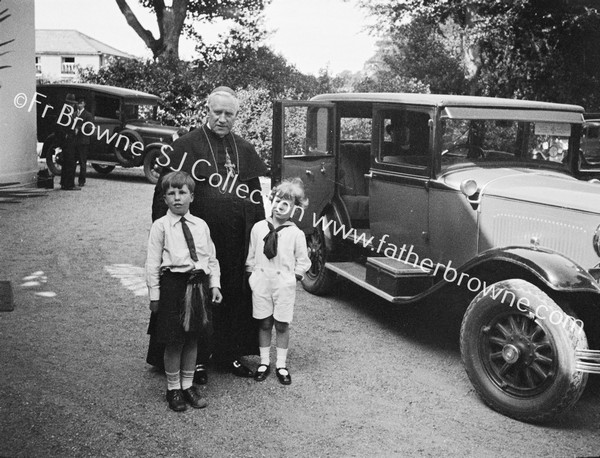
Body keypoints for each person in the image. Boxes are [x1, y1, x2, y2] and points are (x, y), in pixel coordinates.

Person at [147, 86, 268, 382]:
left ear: (236, 116)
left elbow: (255, 198)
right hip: (195, 243)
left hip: (236, 241)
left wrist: (261, 237)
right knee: (195, 297)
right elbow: (163, 196)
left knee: (232, 294)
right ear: (207, 111)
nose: (223, 119)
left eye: (229, 114)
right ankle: (196, 360)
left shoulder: (245, 148)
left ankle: (229, 353)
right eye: (217, 112)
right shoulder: (186, 146)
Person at [146, 170, 223, 412]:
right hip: (173, 286)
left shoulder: (200, 225)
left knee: (192, 338)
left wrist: (215, 284)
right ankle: (173, 389)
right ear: (164, 198)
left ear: (192, 197)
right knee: (174, 340)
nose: (177, 198)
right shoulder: (161, 227)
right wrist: (155, 296)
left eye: (182, 192)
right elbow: (151, 263)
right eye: (171, 193)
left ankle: (188, 385)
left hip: (197, 285)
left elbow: (211, 258)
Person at [245, 178, 311, 385]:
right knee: (264, 322)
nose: (279, 207)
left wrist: (293, 279)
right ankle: (264, 362)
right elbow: (251, 256)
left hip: (283, 283)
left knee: (282, 324)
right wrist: (252, 278)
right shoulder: (258, 228)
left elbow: (303, 261)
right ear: (270, 201)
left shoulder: (295, 234)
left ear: (294, 210)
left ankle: (281, 364)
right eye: (277, 201)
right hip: (262, 281)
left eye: (286, 204)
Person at [59, 93, 79, 191]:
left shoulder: (70, 113)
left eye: (72, 104)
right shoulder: (64, 113)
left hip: (71, 139)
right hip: (67, 141)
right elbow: (59, 126)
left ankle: (65, 183)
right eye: (70, 104)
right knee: (70, 162)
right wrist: (65, 135)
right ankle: (68, 184)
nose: (72, 105)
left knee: (68, 162)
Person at [74, 97, 94, 187]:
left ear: (84, 104)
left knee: (82, 162)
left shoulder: (88, 115)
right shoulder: (74, 114)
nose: (79, 105)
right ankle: (71, 179)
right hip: (75, 141)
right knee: (73, 161)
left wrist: (79, 128)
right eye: (78, 104)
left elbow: (89, 127)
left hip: (83, 141)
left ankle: (82, 180)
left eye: (80, 103)